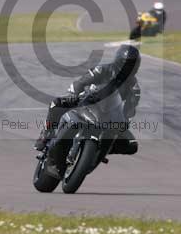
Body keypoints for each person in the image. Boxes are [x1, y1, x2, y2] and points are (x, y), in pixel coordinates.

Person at [35, 45, 142, 174]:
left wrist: (125, 120)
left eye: (133, 64)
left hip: (110, 114)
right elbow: (81, 82)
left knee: (131, 145)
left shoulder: (134, 86)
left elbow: (131, 108)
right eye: (127, 63)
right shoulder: (103, 70)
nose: (129, 67)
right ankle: (46, 134)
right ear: (119, 61)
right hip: (87, 101)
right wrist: (74, 94)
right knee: (56, 104)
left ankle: (101, 151)